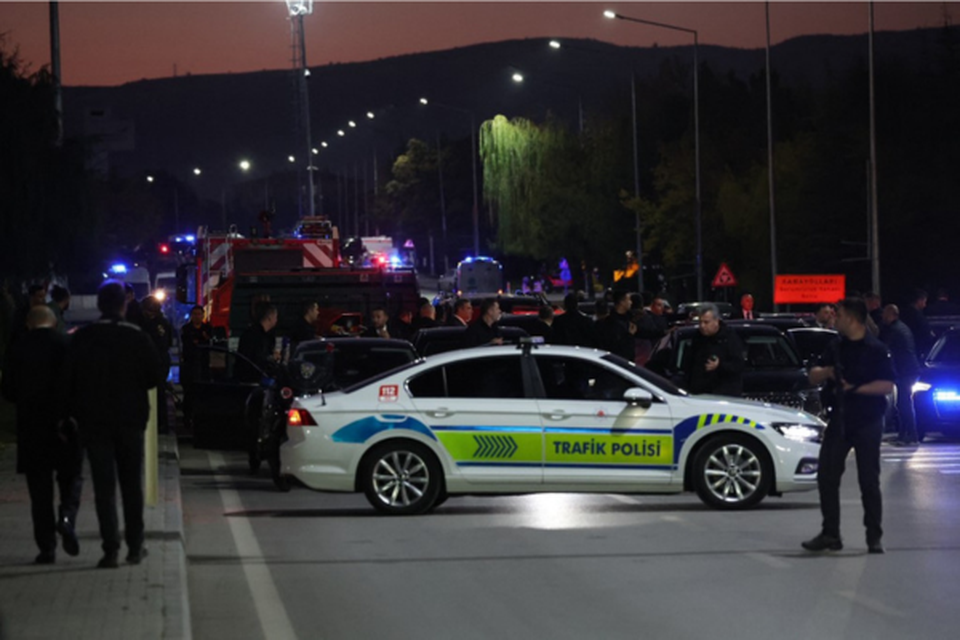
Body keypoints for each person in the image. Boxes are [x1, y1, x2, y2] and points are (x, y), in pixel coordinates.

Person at [63, 280, 160, 568]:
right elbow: (154, 376)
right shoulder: (137, 336)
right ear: (124, 304)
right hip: (130, 421)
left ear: (98, 305)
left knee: (104, 488)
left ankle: (110, 549)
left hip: (93, 422)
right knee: (131, 485)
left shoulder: (83, 337)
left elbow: (68, 379)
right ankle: (135, 545)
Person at [802, 297, 896, 554]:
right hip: (840, 419)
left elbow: (887, 385)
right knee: (827, 477)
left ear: (852, 318)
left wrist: (855, 388)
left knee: (869, 480)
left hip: (867, 420)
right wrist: (827, 372)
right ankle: (831, 534)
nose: (835, 318)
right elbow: (813, 374)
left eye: (839, 314)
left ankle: (874, 537)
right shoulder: (836, 346)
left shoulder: (875, 349)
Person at [1, 306, 82, 564]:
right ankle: (67, 518)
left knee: (39, 492)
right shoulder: (66, 344)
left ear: (28, 323)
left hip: (31, 427)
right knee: (70, 477)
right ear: (54, 322)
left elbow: (9, 390)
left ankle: (46, 548)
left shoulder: (17, 348)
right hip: (63, 425)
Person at [684, 303, 745, 396]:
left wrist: (720, 366)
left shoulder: (729, 338)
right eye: (700, 322)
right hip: (700, 394)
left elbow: (738, 365)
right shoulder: (697, 338)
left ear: (716, 321)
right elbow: (689, 364)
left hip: (724, 395)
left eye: (706, 322)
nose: (702, 326)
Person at [880, 304, 920, 446]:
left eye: (885, 313)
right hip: (908, 370)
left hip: (905, 371)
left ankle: (910, 434)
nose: (882, 316)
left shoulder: (895, 330)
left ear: (892, 314)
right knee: (903, 402)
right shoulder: (902, 328)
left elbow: (886, 349)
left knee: (904, 403)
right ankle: (906, 434)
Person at [140, 296, 173, 433]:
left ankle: (158, 423)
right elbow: (169, 342)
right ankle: (161, 424)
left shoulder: (148, 323)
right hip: (161, 360)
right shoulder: (164, 322)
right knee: (159, 393)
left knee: (156, 394)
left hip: (154, 361)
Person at [180, 305, 214, 428]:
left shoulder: (208, 328)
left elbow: (208, 341)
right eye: (194, 314)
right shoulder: (186, 329)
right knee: (189, 393)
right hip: (190, 365)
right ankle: (187, 418)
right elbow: (189, 342)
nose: (197, 316)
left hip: (204, 365)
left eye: (199, 314)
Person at [237, 302, 279, 383]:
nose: (276, 320)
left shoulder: (256, 333)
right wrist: (272, 357)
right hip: (252, 379)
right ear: (270, 317)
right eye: (276, 317)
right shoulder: (257, 336)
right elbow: (258, 358)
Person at [596, 290, 637, 361]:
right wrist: (629, 335)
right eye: (629, 299)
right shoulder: (610, 323)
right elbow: (615, 345)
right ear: (622, 302)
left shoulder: (629, 318)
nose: (631, 302)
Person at [900, 288, 936, 358]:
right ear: (919, 300)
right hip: (918, 350)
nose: (925, 305)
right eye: (924, 302)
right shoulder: (918, 316)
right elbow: (926, 334)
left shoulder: (903, 314)